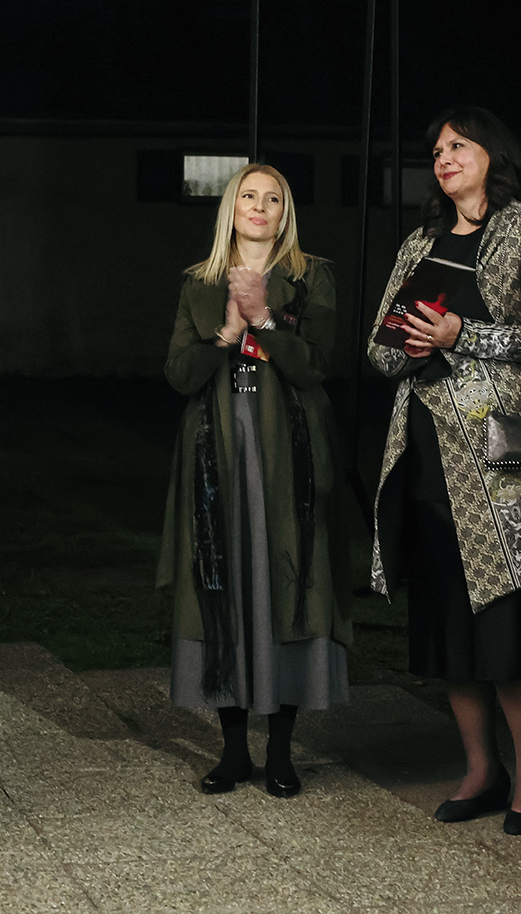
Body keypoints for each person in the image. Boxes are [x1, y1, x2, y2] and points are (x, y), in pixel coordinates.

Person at [367, 107, 521, 837]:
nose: (444, 157)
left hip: (505, 466)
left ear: (495, 153)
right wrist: (410, 345)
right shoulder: (420, 243)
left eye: (458, 145)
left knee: (510, 630)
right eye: (437, 150)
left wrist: (465, 334)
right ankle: (481, 770)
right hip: (429, 459)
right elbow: (378, 349)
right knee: (449, 627)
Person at [161, 162, 350, 797]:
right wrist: (228, 330)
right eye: (249, 196)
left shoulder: (311, 275)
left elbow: (316, 367)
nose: (260, 207)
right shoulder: (199, 281)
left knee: (286, 579)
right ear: (232, 207)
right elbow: (180, 374)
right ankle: (234, 750)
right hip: (218, 445)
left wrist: (266, 319)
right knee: (226, 582)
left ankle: (282, 752)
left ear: (285, 212)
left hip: (286, 447)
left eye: (273, 198)